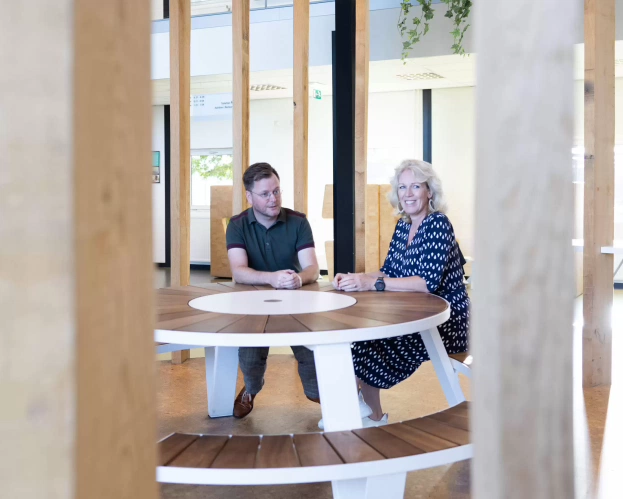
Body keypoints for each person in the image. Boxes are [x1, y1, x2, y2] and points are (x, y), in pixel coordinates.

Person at [330, 159, 469, 428]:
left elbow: (427, 283)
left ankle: (352, 409)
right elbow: (388, 271)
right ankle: (370, 416)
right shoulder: (403, 225)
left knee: (376, 343)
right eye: (402, 187)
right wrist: (357, 278)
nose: (407, 194)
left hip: (446, 318)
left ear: (429, 191)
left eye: (415, 186)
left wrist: (374, 284)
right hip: (416, 312)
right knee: (364, 340)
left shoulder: (438, 223)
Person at [226, 162, 321, 418]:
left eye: (277, 191)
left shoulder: (299, 222)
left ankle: (319, 393)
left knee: (311, 355)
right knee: (250, 356)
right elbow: (238, 271)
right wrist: (273, 278)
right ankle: (251, 389)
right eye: (265, 194)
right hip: (252, 302)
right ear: (249, 196)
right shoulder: (237, 225)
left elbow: (312, 268)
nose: (273, 199)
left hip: (295, 300)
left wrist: (298, 279)